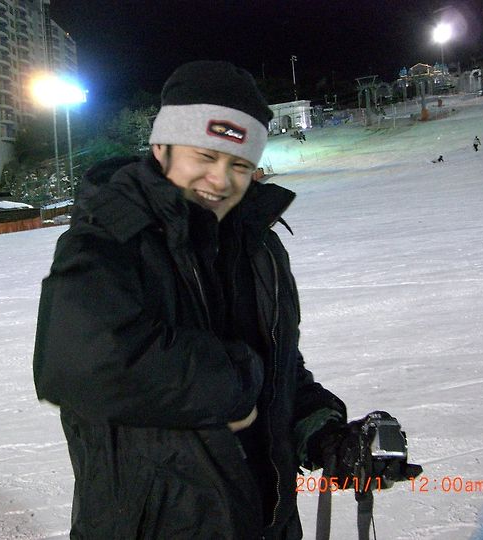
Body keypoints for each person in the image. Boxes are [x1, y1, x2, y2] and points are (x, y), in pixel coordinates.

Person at [33, 61, 417, 539]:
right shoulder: (110, 237)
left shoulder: (258, 247)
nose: (220, 179)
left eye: (238, 164)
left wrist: (323, 433)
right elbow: (79, 362)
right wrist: (233, 384)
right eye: (204, 155)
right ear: (161, 148)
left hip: (266, 522)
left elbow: (277, 370)